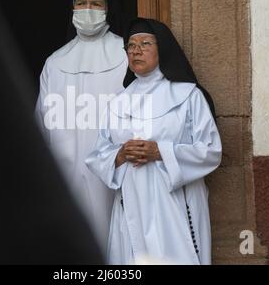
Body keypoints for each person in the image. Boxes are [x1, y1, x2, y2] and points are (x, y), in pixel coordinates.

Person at [85, 18, 222, 265]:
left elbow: (211, 150)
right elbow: (98, 154)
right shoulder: (119, 102)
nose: (135, 51)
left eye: (145, 44)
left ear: (163, 49)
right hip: (132, 203)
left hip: (175, 202)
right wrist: (121, 154)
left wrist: (161, 151)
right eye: (130, 46)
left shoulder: (189, 95)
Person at [35, 0, 128, 251]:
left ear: (108, 9)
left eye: (96, 4)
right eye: (82, 3)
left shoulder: (126, 55)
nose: (88, 10)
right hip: (67, 168)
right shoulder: (54, 62)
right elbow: (42, 120)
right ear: (72, 9)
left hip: (115, 165)